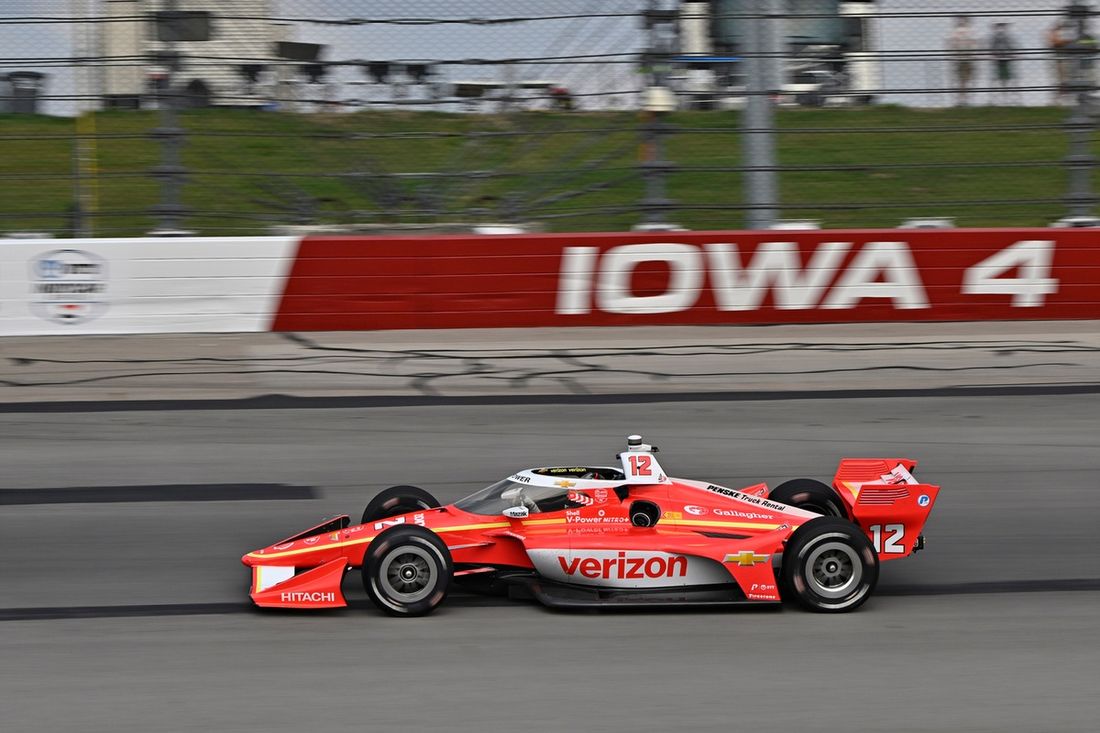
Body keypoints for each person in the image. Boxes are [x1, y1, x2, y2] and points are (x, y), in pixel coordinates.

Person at [947, 15, 978, 106]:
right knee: (960, 81)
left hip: (967, 59)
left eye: (963, 19)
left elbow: (974, 44)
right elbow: (951, 44)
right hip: (959, 59)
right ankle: (961, 100)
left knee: (966, 81)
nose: (962, 21)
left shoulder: (971, 32)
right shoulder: (955, 32)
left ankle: (965, 100)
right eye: (960, 19)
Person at [989, 22, 1018, 105]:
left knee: (1007, 79)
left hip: (1007, 59)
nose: (1001, 29)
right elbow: (992, 47)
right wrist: (993, 55)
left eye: (1003, 26)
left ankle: (1008, 98)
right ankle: (997, 99)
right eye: (999, 27)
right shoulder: (994, 37)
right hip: (998, 60)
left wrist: (1012, 54)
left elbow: (1011, 46)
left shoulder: (1008, 37)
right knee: (997, 79)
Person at [1048, 18, 1073, 104]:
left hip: (1064, 58)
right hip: (1060, 59)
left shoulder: (1061, 33)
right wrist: (1066, 41)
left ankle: (1059, 98)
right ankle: (1057, 99)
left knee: (1064, 79)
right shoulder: (1054, 33)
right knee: (1062, 79)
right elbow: (1055, 43)